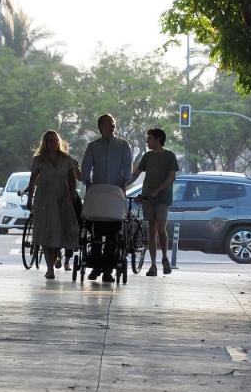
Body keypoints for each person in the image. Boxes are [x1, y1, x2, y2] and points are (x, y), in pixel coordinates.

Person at [80, 114, 133, 282]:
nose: (112, 126)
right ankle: (96, 266)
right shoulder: (93, 146)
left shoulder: (123, 146)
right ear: (101, 127)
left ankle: (108, 270)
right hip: (97, 194)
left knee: (113, 236)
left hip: (115, 195)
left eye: (113, 124)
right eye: (109, 124)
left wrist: (124, 182)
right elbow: (85, 168)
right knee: (94, 234)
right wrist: (87, 183)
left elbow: (127, 168)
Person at [26, 130, 80, 279]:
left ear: (59, 142)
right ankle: (50, 268)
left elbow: (72, 179)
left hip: (61, 198)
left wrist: (71, 193)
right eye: (49, 140)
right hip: (44, 199)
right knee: (45, 231)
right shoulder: (39, 160)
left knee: (58, 230)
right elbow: (32, 182)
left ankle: (56, 255)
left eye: (55, 140)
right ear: (45, 143)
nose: (52, 143)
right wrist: (29, 199)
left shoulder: (66, 158)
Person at [133, 127, 179, 277]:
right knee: (151, 231)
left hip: (163, 199)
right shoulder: (147, 156)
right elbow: (136, 173)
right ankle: (153, 265)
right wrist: (124, 183)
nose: (147, 141)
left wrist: (157, 190)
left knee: (161, 228)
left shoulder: (170, 156)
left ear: (158, 139)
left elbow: (171, 177)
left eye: (150, 138)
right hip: (147, 198)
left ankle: (165, 258)